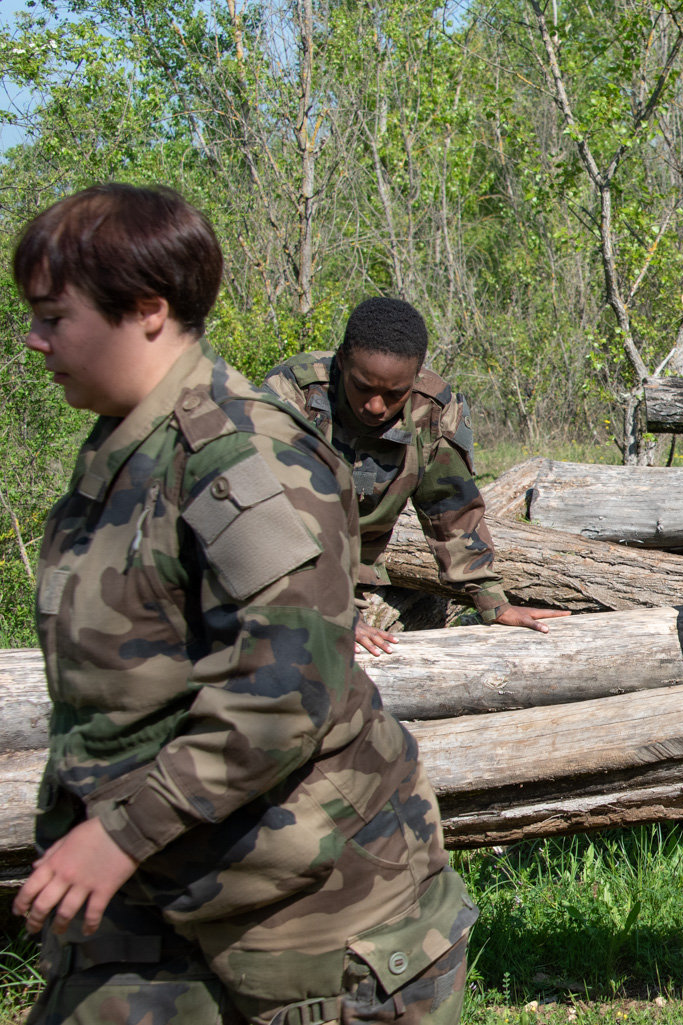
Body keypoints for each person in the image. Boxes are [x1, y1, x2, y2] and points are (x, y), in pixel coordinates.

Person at [12, 184, 476, 1025]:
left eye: (53, 315)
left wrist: (119, 833)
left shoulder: (239, 456)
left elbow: (286, 686)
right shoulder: (128, 443)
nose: (34, 338)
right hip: (162, 891)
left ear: (148, 310)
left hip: (311, 912)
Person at [264, 298, 567, 655]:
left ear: (417, 375)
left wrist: (493, 603)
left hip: (353, 575)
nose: (376, 406)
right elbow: (266, 519)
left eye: (394, 394)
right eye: (362, 387)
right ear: (342, 361)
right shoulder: (292, 395)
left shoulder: (433, 410)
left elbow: (450, 509)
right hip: (272, 574)